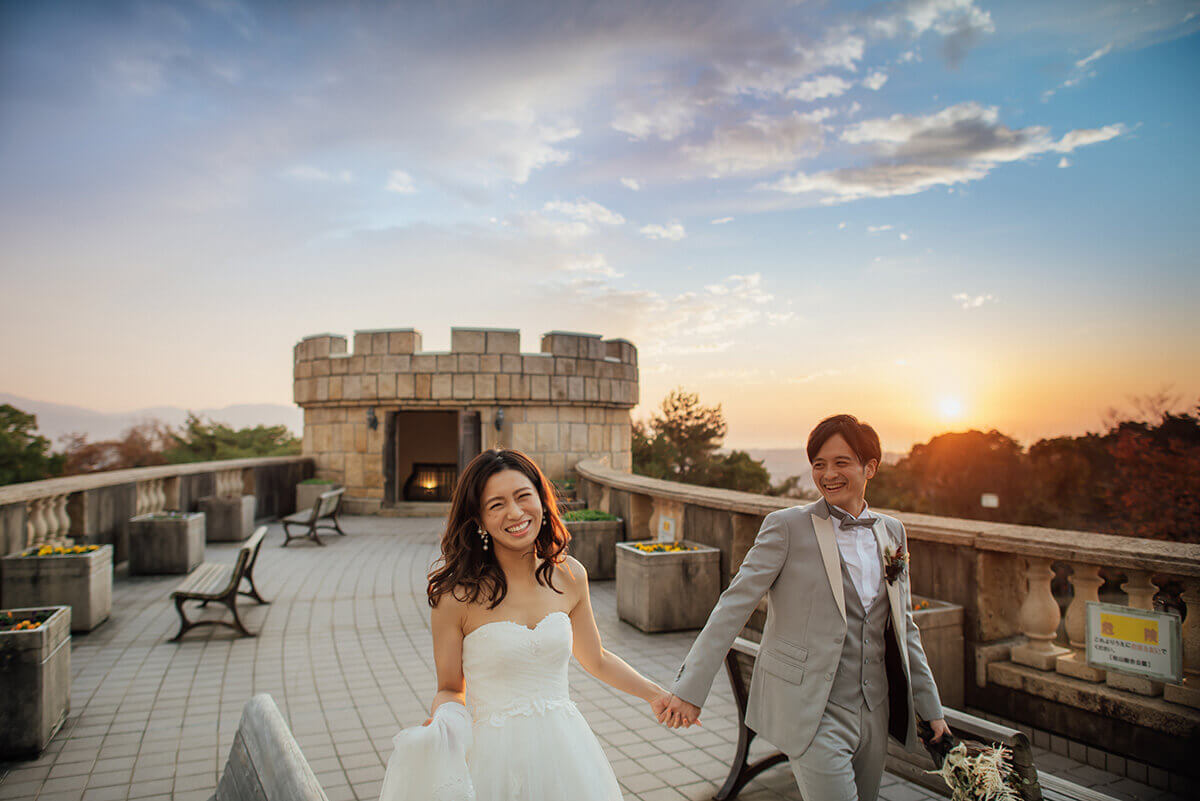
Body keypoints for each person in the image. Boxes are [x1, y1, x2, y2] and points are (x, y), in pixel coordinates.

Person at [658, 414, 950, 801]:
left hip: (875, 711)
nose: (828, 474)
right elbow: (733, 606)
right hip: (813, 713)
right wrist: (690, 689)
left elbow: (904, 628)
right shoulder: (786, 527)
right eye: (819, 464)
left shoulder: (891, 532)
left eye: (841, 463)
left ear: (870, 467)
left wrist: (932, 708)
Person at [391, 448, 671, 801]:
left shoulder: (570, 575)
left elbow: (596, 658)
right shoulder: (455, 597)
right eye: (496, 505)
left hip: (566, 751)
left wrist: (656, 694)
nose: (515, 513)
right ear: (478, 519)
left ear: (542, 498)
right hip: (493, 757)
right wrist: (445, 720)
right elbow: (449, 688)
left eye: (524, 496)